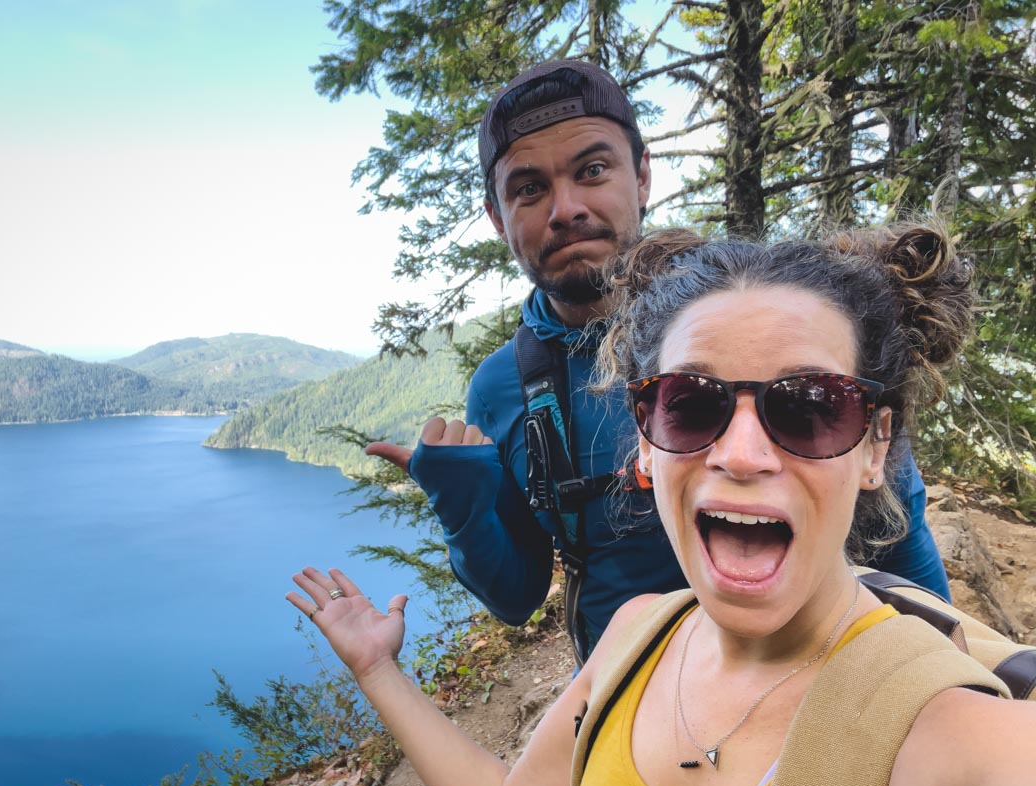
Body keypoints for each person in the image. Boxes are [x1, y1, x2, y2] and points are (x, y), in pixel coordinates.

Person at [289, 224, 1036, 786]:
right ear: (644, 445)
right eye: (690, 404)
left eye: (811, 407)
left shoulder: (954, 734)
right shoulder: (635, 637)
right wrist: (379, 670)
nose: (742, 454)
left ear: (876, 449)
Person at [366, 59, 950, 662]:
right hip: (624, 706)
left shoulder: (761, 326)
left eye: (593, 170)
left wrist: (945, 679)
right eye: (528, 188)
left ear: (641, 177)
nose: (564, 208)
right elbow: (517, 598)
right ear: (497, 217)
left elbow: (896, 536)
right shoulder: (504, 387)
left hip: (812, 684)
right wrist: (463, 507)